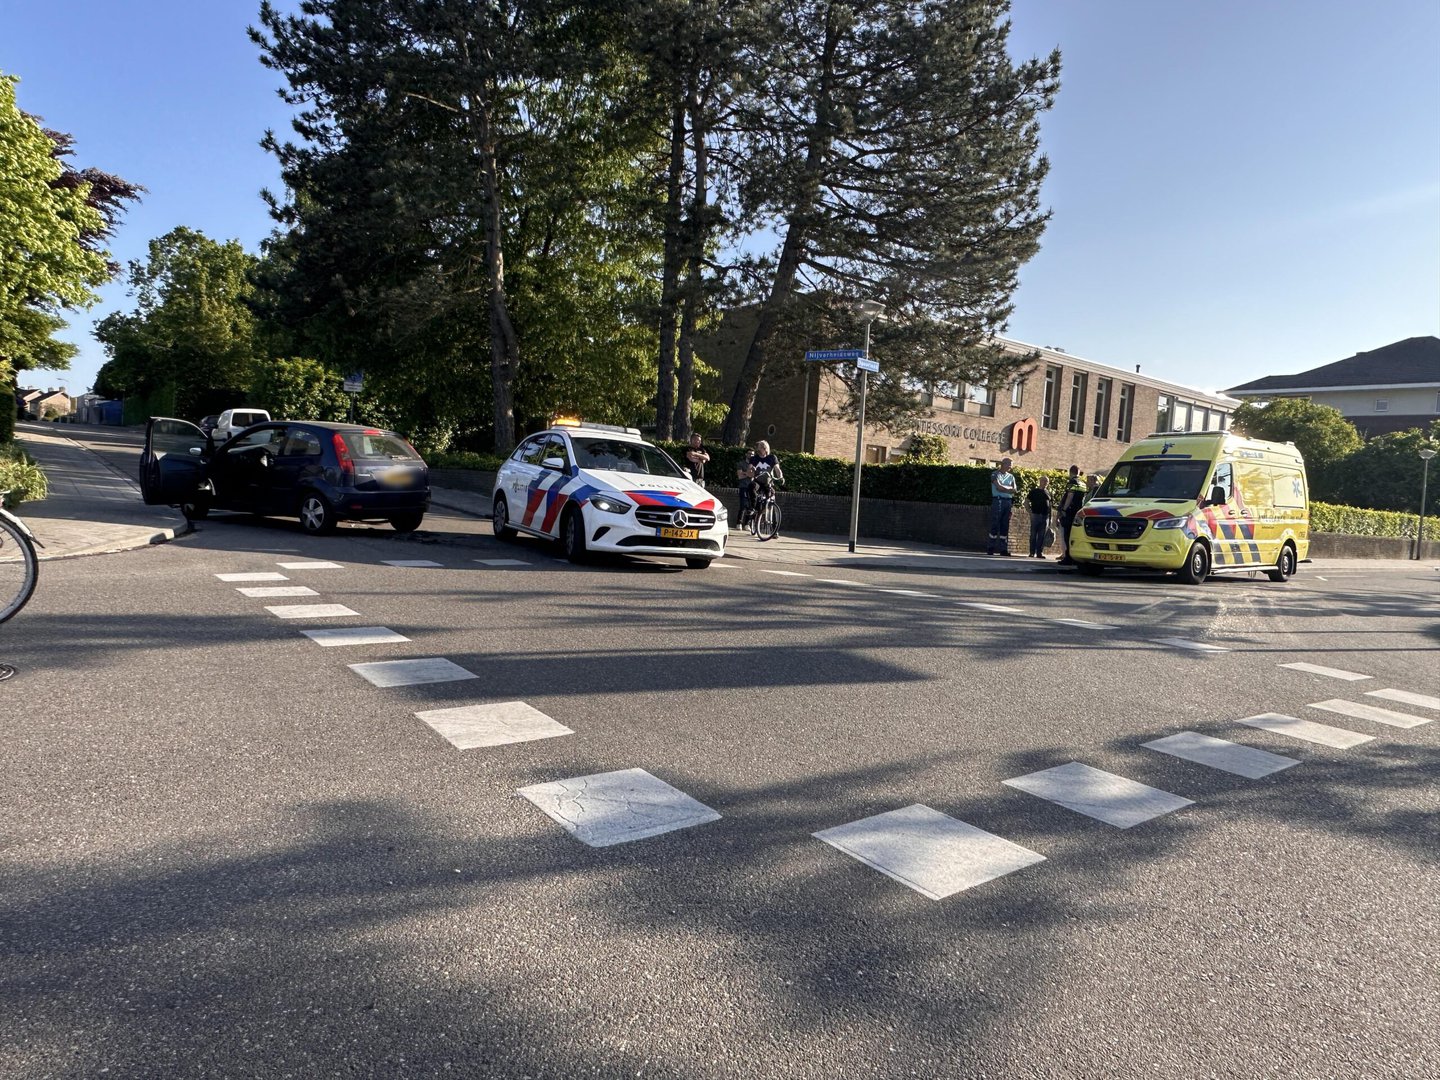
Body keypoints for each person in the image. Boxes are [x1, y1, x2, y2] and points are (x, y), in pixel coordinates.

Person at [739, 440, 783, 527]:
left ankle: (774, 527)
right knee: (752, 486)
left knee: (771, 499)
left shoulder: (772, 458)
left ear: (764, 448)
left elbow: (777, 469)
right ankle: (753, 508)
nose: (757, 449)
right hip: (758, 482)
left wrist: (781, 477)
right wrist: (751, 471)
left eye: (759, 447)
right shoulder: (754, 458)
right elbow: (749, 469)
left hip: (768, 483)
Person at [986, 457, 1018, 555]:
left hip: (1008, 502)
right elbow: (998, 487)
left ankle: (1003, 549)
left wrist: (1004, 488)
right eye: (1009, 464)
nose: (1010, 467)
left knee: (1005, 525)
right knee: (995, 523)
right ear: (1003, 464)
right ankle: (991, 548)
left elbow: (1014, 490)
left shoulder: (1011, 477)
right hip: (998, 500)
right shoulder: (995, 474)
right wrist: (1008, 489)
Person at [1056, 465, 1087, 563]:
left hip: (1069, 512)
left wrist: (1064, 509)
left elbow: (1070, 496)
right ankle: (1074, 557)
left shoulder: (1072, 482)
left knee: (1067, 535)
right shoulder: (1083, 484)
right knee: (1074, 535)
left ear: (1070, 472)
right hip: (1078, 511)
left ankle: (1068, 557)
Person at [1026, 475, 1052, 558]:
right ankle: (1032, 552)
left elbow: (1050, 506)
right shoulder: (1034, 491)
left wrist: (1050, 517)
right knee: (1033, 534)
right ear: (1040, 481)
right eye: (1044, 481)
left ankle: (1039, 553)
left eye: (1047, 481)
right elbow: (1026, 501)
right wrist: (1030, 512)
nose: (1045, 483)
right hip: (1035, 515)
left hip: (1045, 516)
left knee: (1042, 535)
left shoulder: (1048, 492)